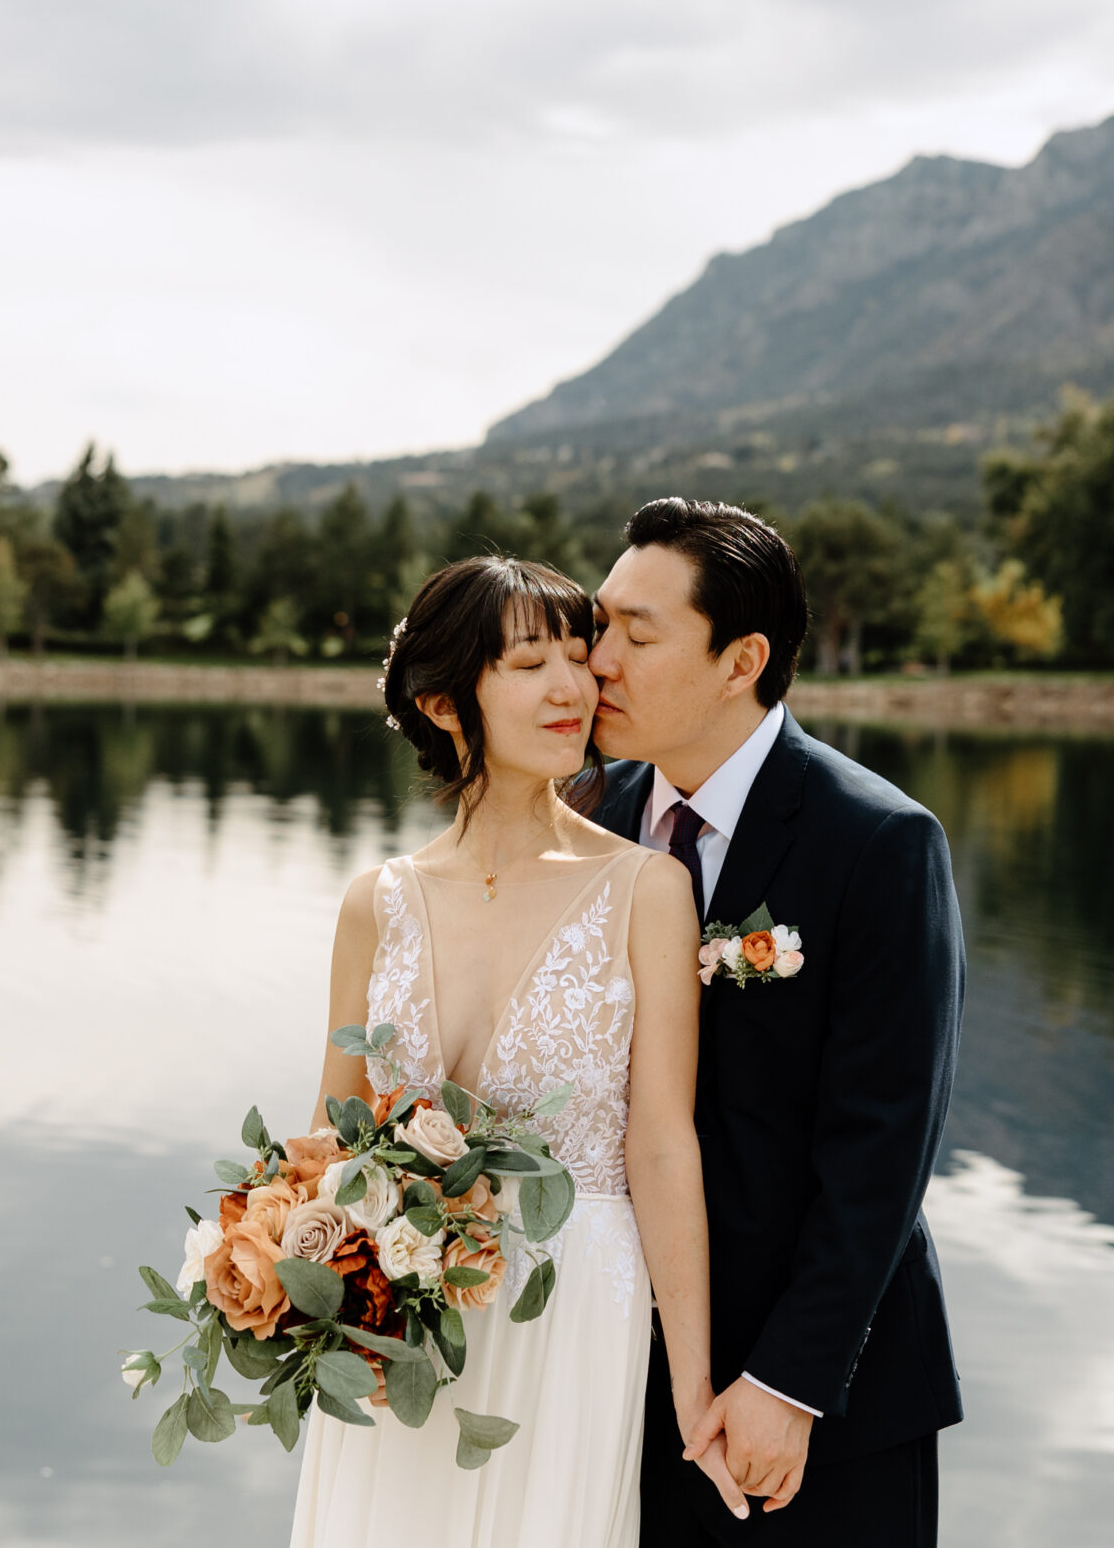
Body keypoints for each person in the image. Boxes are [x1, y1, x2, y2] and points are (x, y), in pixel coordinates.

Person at [292, 555, 747, 1548]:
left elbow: (662, 1143)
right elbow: (330, 1137)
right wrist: (277, 1268)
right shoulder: (376, 901)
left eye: (577, 658)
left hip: (573, 1301)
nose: (572, 686)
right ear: (446, 701)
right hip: (394, 1318)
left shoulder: (647, 887)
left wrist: (692, 1385)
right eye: (530, 662)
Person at [588, 497, 964, 1547]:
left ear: (740, 657)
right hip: (625, 1376)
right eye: (597, 622)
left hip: (822, 1402)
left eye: (636, 632)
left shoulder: (879, 840)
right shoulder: (585, 818)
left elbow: (884, 1143)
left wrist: (787, 1381)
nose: (597, 659)